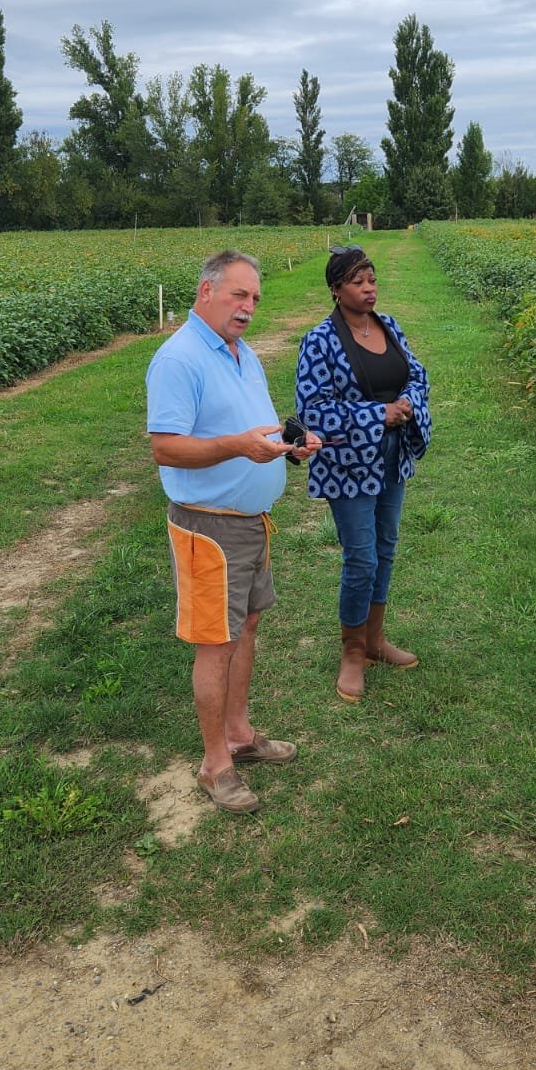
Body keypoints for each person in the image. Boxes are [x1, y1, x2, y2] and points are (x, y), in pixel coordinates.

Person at [146, 249, 319, 815]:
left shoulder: (240, 353)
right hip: (209, 527)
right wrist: (238, 447)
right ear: (206, 291)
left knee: (245, 626)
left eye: (255, 299)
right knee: (216, 642)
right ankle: (214, 765)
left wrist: (287, 445)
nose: (248, 307)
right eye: (239, 294)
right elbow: (166, 447)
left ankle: (240, 735)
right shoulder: (180, 359)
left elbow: (252, 428)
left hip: (250, 524)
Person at [294, 244, 431, 702]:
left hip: (392, 456)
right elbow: (313, 409)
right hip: (348, 463)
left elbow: (417, 375)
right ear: (336, 289)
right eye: (358, 282)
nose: (369, 288)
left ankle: (375, 640)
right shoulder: (320, 341)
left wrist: (407, 402)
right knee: (362, 557)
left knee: (386, 547)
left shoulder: (389, 326)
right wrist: (378, 415)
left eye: (372, 279)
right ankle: (352, 649)